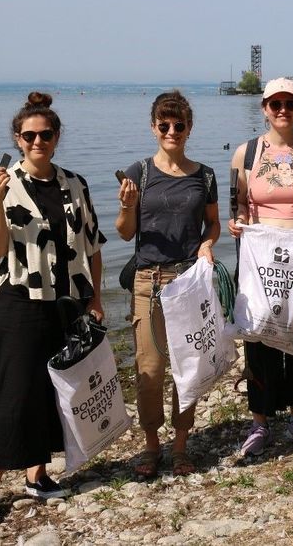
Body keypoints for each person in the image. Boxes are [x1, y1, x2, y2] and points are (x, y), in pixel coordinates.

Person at [0, 91, 106, 527]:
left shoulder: (74, 183)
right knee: (14, 387)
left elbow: (93, 245)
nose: (37, 141)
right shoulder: (2, 183)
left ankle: (37, 473)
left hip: (64, 298)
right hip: (16, 297)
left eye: (45, 134)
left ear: (56, 136)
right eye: (29, 135)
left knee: (54, 384)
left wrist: (96, 299)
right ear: (17, 138)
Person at [227, 77, 293, 456]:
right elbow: (238, 202)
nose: (283, 110)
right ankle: (260, 421)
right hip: (260, 260)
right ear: (264, 108)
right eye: (276, 104)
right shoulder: (246, 153)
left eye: (290, 104)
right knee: (258, 336)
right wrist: (237, 221)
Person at [116, 90, 220, 477]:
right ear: (153, 127)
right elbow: (125, 233)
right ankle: (151, 446)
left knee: (186, 367)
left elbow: (213, 223)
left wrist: (208, 244)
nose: (172, 130)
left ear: (189, 128)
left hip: (189, 280)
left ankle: (180, 446)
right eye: (164, 124)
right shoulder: (138, 173)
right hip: (148, 281)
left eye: (179, 125)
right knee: (150, 368)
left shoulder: (204, 175)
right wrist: (127, 205)